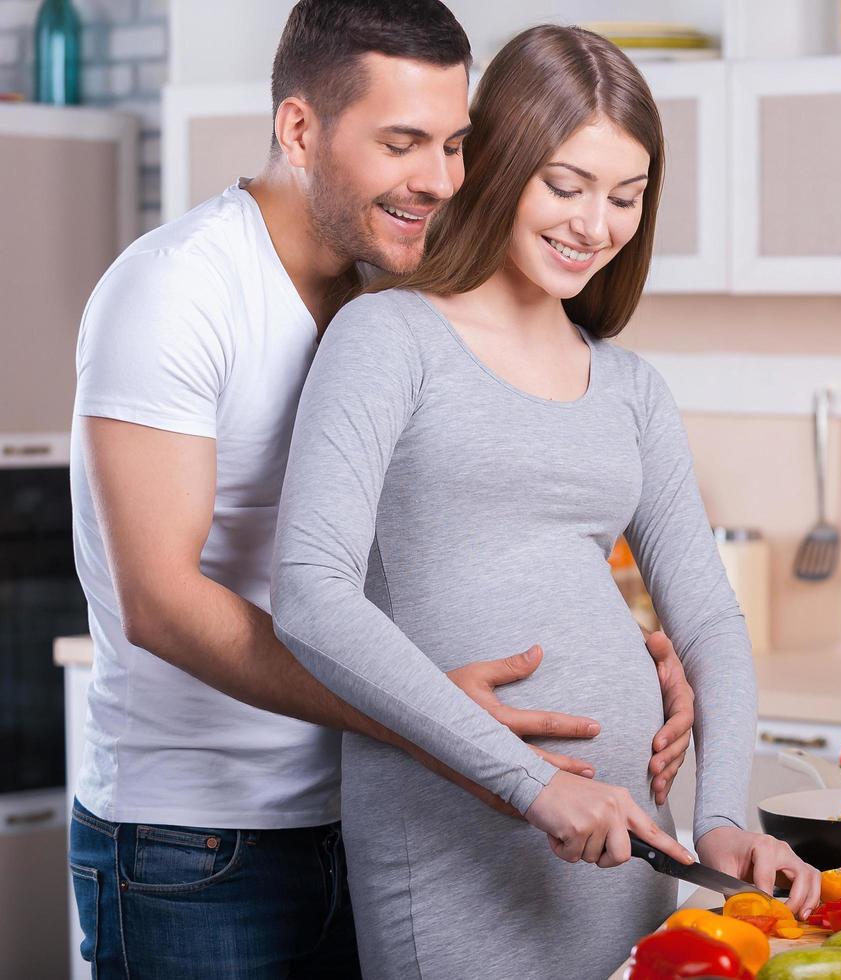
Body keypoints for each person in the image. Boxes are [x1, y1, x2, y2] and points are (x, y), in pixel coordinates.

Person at [66, 3, 695, 976]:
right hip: (198, 843)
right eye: (402, 143)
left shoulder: (393, 292)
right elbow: (160, 600)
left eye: (453, 143)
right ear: (299, 129)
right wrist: (443, 723)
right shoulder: (176, 291)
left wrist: (636, 653)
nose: (440, 180)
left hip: (372, 815)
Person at [270, 23, 822, 978]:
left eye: (626, 196)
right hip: (452, 832)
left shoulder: (631, 386)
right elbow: (311, 593)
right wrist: (532, 786)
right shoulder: (388, 338)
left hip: (626, 843)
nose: (595, 225)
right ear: (495, 166)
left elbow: (710, 621)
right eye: (565, 186)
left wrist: (723, 816)